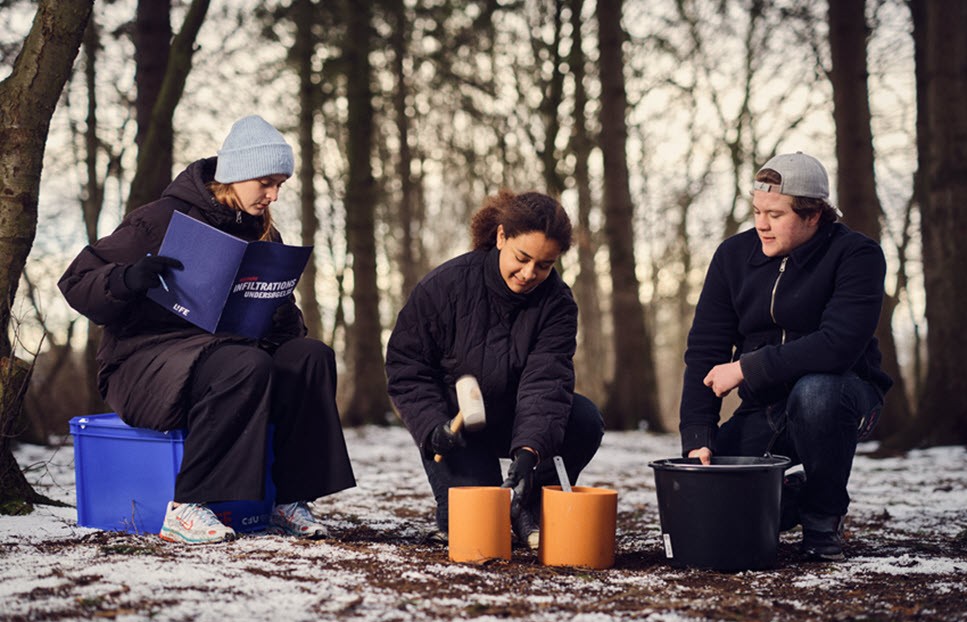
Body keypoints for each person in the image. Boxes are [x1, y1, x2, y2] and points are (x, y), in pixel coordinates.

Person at [59, 115, 356, 545]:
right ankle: (188, 507)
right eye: (266, 183)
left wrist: (274, 309)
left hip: (225, 355)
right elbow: (75, 283)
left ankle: (289, 499)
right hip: (143, 363)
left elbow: (288, 329)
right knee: (244, 362)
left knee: (311, 356)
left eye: (280, 186)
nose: (273, 195)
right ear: (235, 174)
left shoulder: (264, 234)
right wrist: (128, 278)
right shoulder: (159, 219)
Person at [679, 152, 892, 561]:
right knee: (713, 504)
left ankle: (822, 518)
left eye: (775, 214)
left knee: (816, 393)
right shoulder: (733, 256)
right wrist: (697, 435)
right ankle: (794, 493)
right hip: (765, 407)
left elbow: (838, 345)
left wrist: (746, 368)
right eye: (757, 210)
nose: (761, 223)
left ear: (813, 215)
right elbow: (706, 348)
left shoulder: (857, 256)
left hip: (843, 395)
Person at [385, 190, 604, 549]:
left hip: (517, 418)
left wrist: (528, 453)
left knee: (583, 418)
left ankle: (528, 505)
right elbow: (406, 368)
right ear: (501, 237)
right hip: (457, 427)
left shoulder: (558, 304)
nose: (530, 273)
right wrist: (431, 428)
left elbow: (546, 382)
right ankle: (475, 496)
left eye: (545, 265)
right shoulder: (443, 287)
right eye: (523, 258)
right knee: (476, 530)